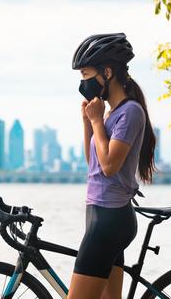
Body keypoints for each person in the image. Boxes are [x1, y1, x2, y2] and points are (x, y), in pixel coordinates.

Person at [67, 33, 157, 299]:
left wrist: (96, 122)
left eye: (85, 74)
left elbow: (109, 166)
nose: (83, 83)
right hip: (100, 215)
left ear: (107, 72)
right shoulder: (111, 114)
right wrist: (88, 123)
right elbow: (93, 163)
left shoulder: (130, 112)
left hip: (110, 220)